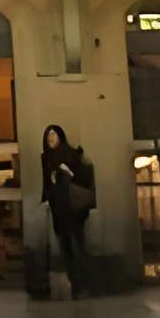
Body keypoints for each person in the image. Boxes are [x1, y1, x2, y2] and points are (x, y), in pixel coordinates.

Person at [41, 124, 96, 297]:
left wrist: (66, 171)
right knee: (66, 247)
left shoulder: (71, 154)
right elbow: (47, 182)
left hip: (73, 208)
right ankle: (76, 283)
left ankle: (84, 283)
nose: (51, 139)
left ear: (60, 137)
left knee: (77, 245)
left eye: (54, 135)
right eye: (48, 136)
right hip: (59, 207)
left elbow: (80, 176)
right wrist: (46, 198)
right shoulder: (46, 157)